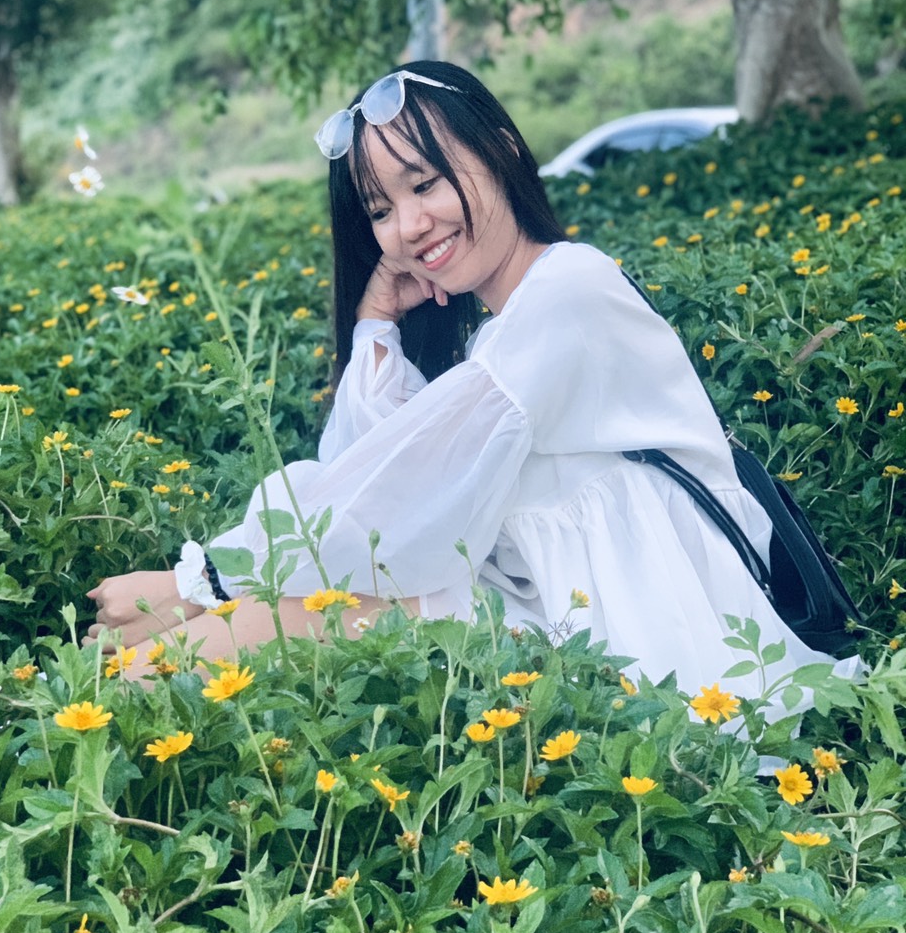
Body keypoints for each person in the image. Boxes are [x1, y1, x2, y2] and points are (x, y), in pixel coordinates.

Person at [86, 61, 857, 699]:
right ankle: (103, 693)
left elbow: (390, 494)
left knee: (301, 615)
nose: (407, 226)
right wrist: (375, 323)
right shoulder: (505, 332)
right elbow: (376, 479)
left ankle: (92, 703)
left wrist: (200, 583)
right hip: (569, 611)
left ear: (503, 148)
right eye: (380, 209)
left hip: (659, 642)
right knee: (306, 610)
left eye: (425, 184)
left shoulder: (569, 289)